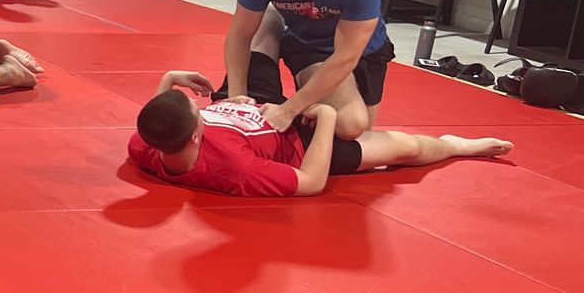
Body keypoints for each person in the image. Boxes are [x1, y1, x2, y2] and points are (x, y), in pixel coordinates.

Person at [130, 70, 512, 197]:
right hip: (301, 138)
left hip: (257, 106)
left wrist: (169, 80)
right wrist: (325, 117)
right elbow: (311, 182)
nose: (204, 111)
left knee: (260, 29)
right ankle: (453, 146)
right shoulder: (235, 169)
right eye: (201, 114)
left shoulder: (148, 144)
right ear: (197, 136)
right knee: (404, 148)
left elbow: (155, 122)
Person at [223, 0, 395, 139]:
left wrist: (289, 109)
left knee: (358, 132)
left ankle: (448, 146)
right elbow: (239, 36)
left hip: (362, 50)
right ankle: (307, 101)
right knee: (349, 124)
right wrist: (237, 97)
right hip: (309, 49)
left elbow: (346, 56)